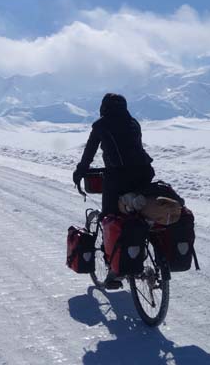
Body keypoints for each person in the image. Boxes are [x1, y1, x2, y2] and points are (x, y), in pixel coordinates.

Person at [72, 93, 155, 289]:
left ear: (104, 108)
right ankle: (140, 250)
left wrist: (80, 171)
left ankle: (115, 273)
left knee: (110, 217)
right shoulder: (133, 122)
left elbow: (89, 153)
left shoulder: (101, 125)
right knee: (137, 212)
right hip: (144, 173)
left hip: (118, 177)